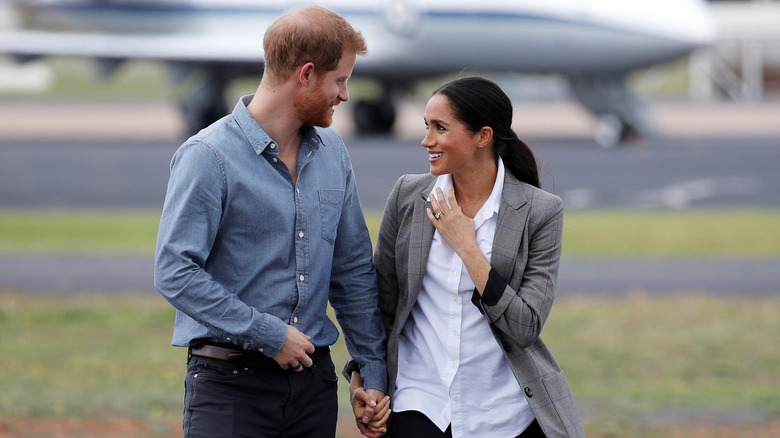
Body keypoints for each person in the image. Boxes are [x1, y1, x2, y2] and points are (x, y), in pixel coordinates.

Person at [153, 6, 388, 437]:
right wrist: (268, 333)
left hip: (314, 388)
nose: (345, 95)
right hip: (230, 389)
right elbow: (175, 272)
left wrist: (370, 372)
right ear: (306, 74)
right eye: (340, 80)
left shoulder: (334, 152)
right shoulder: (208, 156)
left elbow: (352, 271)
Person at [346, 77, 586, 438]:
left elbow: (525, 327)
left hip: (504, 415)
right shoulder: (407, 196)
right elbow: (382, 305)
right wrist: (363, 376)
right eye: (427, 127)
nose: (427, 140)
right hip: (421, 404)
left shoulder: (541, 212)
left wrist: (467, 248)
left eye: (440, 128)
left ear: (483, 136)